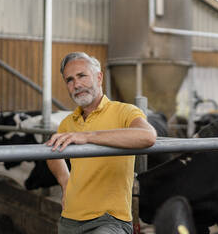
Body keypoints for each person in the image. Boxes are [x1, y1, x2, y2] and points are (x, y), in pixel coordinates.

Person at [46, 52, 157, 234]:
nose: (77, 84)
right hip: (68, 220)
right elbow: (51, 153)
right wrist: (65, 182)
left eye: (82, 76)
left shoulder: (124, 111)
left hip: (109, 220)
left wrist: (88, 136)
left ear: (98, 77)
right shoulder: (68, 122)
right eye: (70, 80)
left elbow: (148, 136)